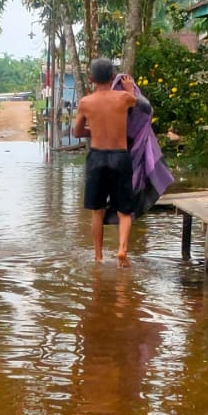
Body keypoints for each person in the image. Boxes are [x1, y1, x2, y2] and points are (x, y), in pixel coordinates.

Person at [73, 58, 138, 263]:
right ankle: (122, 249)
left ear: (91, 78)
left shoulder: (86, 102)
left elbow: (76, 132)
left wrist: (94, 130)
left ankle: (98, 256)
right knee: (124, 211)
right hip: (120, 156)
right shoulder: (124, 98)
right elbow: (135, 102)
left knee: (97, 212)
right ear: (113, 77)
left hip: (97, 157)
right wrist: (129, 87)